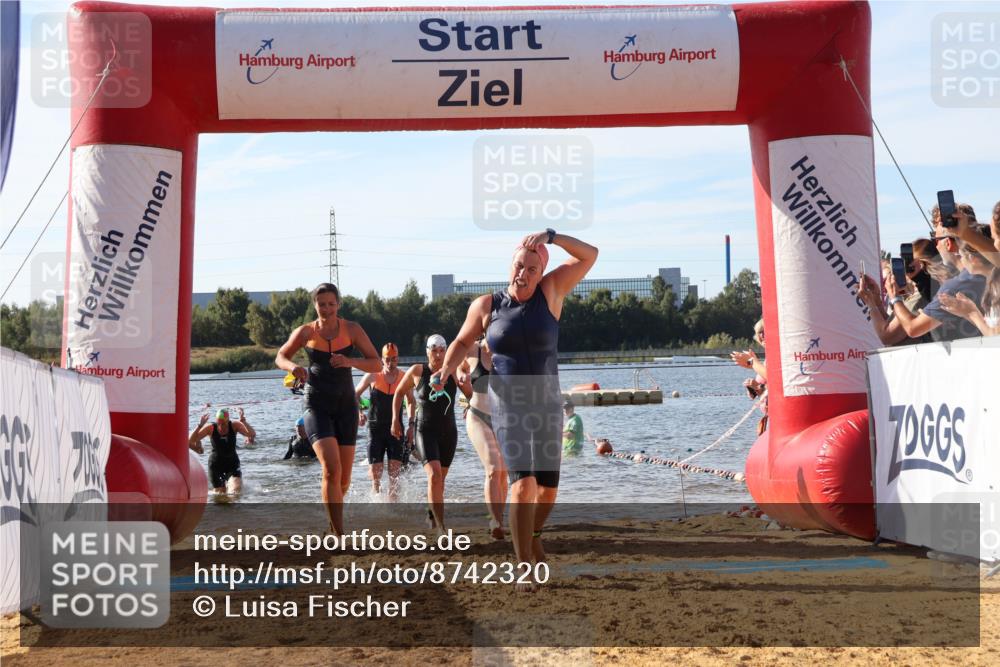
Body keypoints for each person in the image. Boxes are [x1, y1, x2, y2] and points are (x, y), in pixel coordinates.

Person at [438, 229, 599, 579]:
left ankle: (534, 535)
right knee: (522, 485)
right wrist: (446, 369)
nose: (522, 274)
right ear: (509, 266)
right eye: (517, 266)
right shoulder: (487, 306)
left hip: (546, 404)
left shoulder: (551, 292)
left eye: (530, 268)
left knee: (548, 492)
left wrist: (552, 237)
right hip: (509, 404)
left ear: (541, 272)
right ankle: (523, 563)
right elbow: (462, 341)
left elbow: (590, 254)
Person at [275, 282, 382, 536]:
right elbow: (280, 356)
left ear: (338, 304)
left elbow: (376, 363)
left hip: (346, 406)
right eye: (321, 304)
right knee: (331, 469)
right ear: (315, 305)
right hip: (316, 405)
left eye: (331, 304)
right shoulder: (305, 332)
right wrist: (292, 367)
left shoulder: (352, 329)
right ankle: (338, 533)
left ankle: (331, 524)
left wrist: (350, 361)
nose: (326, 309)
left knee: (343, 480)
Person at [392, 334, 464, 533]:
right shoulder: (417, 371)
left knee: (440, 481)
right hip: (425, 431)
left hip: (449, 432)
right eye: (434, 351)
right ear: (427, 352)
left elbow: (469, 393)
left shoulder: (453, 371)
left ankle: (431, 513)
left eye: (442, 351)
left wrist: (470, 401)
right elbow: (398, 393)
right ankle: (441, 527)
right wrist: (395, 420)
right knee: (434, 476)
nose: (438, 355)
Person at [457, 336, 507, 539]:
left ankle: (500, 519)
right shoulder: (471, 349)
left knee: (504, 472)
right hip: (477, 415)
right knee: (494, 469)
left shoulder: (507, 351)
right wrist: (462, 376)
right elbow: (458, 367)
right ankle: (494, 520)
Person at [356, 342, 414, 501]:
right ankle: (377, 506)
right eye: (387, 359)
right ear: (382, 359)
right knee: (376, 476)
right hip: (375, 430)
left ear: (398, 358)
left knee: (394, 476)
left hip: (397, 430)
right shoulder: (372, 375)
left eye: (394, 359)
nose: (390, 363)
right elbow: (355, 395)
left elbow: (411, 401)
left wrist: (411, 425)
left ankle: (392, 510)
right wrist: (359, 412)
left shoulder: (404, 378)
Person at [189, 407, 256, 495]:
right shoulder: (211, 428)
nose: (221, 426)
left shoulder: (234, 425)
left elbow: (251, 434)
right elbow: (192, 440)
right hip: (215, 465)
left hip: (232, 463)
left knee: (236, 490)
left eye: (223, 423)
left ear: (228, 421)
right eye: (219, 423)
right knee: (220, 493)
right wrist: (200, 426)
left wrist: (243, 422)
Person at [731, 318, 769, 434]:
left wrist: (752, 362)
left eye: (765, 331)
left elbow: (775, 380)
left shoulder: (778, 355)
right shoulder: (767, 359)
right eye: (759, 333)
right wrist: (754, 388)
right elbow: (766, 388)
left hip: (779, 418)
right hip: (770, 417)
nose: (762, 335)